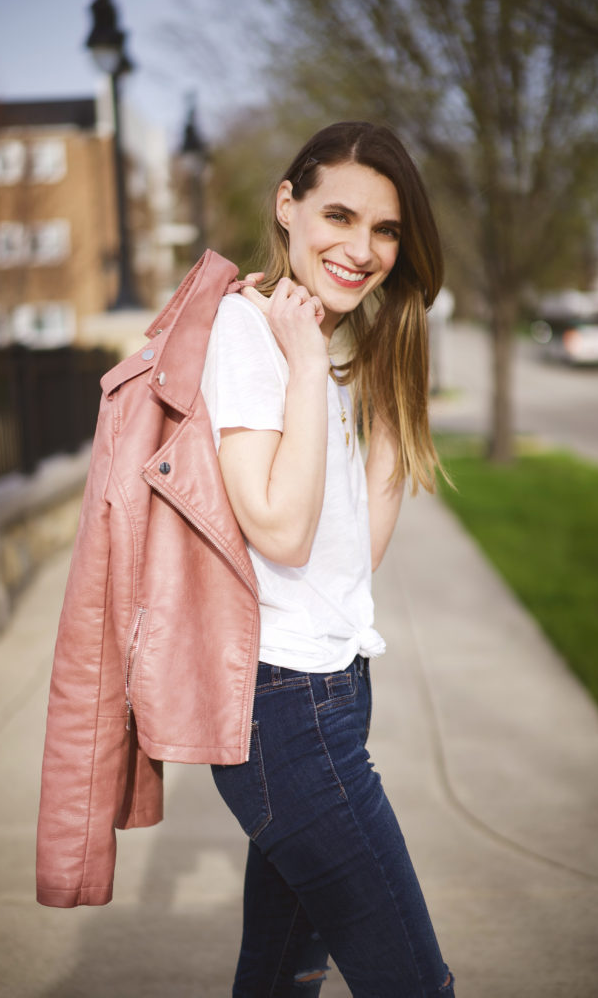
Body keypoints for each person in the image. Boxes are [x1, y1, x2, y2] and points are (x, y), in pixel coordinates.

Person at [201, 121, 455, 997]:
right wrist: (305, 363)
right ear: (287, 205)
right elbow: (278, 530)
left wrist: (387, 381)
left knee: (278, 978)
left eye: (385, 230)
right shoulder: (246, 330)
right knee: (415, 982)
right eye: (339, 216)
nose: (362, 249)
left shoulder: (340, 344)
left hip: (334, 685)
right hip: (284, 705)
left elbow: (356, 561)